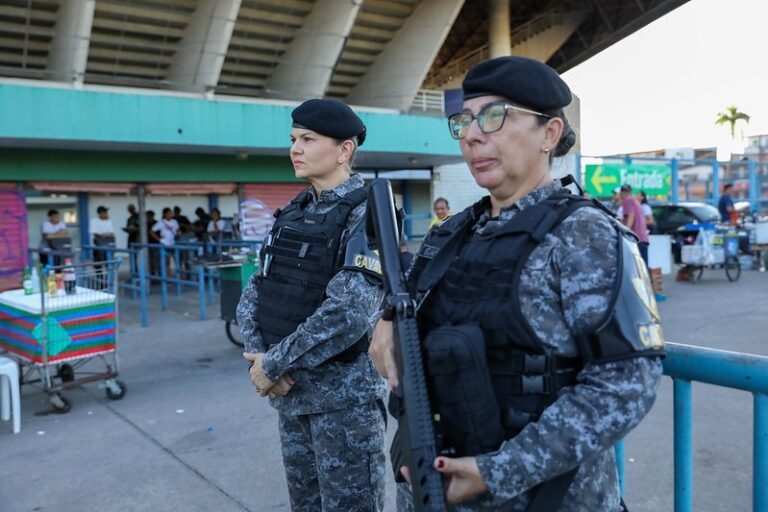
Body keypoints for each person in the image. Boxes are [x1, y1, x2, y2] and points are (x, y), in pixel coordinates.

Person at [369, 56, 664, 512]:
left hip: (546, 498)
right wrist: (386, 320)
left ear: (549, 133)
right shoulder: (448, 234)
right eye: (464, 120)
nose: (471, 134)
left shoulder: (585, 233)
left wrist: (500, 470)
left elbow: (627, 382)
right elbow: (408, 309)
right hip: (429, 487)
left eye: (494, 116)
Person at [236, 98, 387, 512]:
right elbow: (256, 289)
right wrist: (262, 360)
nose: (294, 148)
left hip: (343, 404)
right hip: (291, 397)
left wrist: (274, 364)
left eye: (307, 139)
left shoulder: (369, 210)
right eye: (292, 139)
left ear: (344, 150)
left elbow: (349, 312)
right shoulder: (295, 211)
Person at [621, 184, 650, 266]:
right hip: (643, 238)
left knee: (636, 267)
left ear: (622, 193)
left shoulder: (627, 200)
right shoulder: (635, 201)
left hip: (636, 239)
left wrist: (626, 233)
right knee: (643, 267)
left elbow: (631, 216)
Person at [89, 206, 115, 286]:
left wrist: (105, 235)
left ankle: (108, 281)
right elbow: (95, 233)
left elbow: (111, 233)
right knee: (98, 264)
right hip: (98, 244)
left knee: (109, 264)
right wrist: (103, 235)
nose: (106, 214)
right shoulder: (94, 221)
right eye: (105, 212)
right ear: (100, 213)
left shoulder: (109, 221)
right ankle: (99, 281)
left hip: (108, 243)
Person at [151, 208, 179, 276]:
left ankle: (176, 276)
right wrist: (159, 239)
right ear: (165, 214)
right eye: (169, 213)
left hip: (173, 243)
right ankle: (167, 277)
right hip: (164, 244)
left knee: (176, 260)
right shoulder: (161, 222)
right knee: (166, 261)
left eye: (171, 213)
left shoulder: (174, 222)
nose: (171, 214)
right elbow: (152, 231)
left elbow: (177, 231)